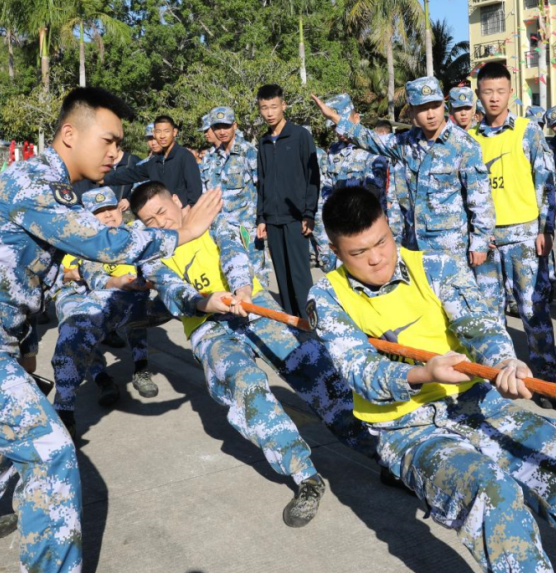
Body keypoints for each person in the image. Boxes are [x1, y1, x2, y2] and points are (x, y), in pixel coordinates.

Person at [0, 87, 223, 569]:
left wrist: (124, 286)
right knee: (50, 451)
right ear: (70, 134)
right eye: (109, 140)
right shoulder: (34, 183)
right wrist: (179, 233)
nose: (116, 152)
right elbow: (100, 240)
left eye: (120, 143)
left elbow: (64, 269)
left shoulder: (52, 191)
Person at [308, 185, 556, 572]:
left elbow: (478, 325)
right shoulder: (328, 297)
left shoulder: (435, 267)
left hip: (480, 404)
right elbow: (358, 370)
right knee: (490, 492)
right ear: (335, 252)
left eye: (381, 242)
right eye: (358, 253)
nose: (376, 258)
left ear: (389, 227)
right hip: (409, 429)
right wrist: (423, 373)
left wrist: (505, 361)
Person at [131, 181, 366, 527]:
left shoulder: (208, 218)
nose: (160, 224)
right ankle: (306, 477)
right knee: (248, 387)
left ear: (177, 202)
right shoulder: (150, 252)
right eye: (149, 221)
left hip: (253, 306)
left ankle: (376, 449)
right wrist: (203, 301)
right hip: (207, 328)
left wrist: (241, 287)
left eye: (163, 212)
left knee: (316, 371)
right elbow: (170, 289)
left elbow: (233, 250)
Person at [311, 77, 494, 277]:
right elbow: (370, 139)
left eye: (436, 106)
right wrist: (336, 119)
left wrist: (480, 242)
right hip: (414, 245)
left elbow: (481, 198)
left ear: (444, 105)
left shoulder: (464, 146)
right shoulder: (406, 142)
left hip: (450, 248)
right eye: (423, 108)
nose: (431, 114)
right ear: (413, 112)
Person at [50, 188, 171, 437]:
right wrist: (116, 282)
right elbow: (94, 277)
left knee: (136, 299)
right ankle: (93, 383)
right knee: (76, 325)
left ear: (120, 208)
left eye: (110, 209)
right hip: (79, 294)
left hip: (121, 294)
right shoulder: (85, 239)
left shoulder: (133, 234)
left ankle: (140, 368)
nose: (106, 216)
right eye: (98, 212)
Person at [470, 61, 556, 401]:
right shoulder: (471, 138)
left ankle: (545, 379)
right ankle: (498, 378)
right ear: (479, 94)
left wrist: (546, 229)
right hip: (487, 239)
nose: (494, 98)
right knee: (490, 315)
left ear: (510, 93)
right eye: (488, 92)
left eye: (500, 91)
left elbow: (546, 182)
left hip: (523, 236)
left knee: (533, 310)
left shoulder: (527, 130)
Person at [255, 84, 320, 316]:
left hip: (296, 218)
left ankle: (310, 323)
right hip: (272, 219)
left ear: (283, 105)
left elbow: (313, 177)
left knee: (300, 275)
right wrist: (261, 218)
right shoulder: (262, 142)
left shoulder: (300, 135)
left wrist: (308, 213)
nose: (269, 112)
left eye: (274, 106)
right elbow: (262, 182)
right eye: (264, 108)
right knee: (281, 275)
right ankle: (293, 324)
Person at [314, 94, 393, 273]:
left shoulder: (372, 148)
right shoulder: (333, 152)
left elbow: (377, 195)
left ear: (356, 118)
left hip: (368, 230)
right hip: (341, 232)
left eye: (343, 122)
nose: (340, 131)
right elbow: (325, 194)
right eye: (335, 126)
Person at [200, 106, 268, 285]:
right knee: (230, 275)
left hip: (246, 227)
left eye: (226, 126)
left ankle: (263, 312)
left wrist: (263, 219)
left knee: (256, 274)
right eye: (217, 127)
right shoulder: (209, 158)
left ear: (235, 125)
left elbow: (262, 188)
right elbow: (204, 192)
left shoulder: (248, 152)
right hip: (220, 228)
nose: (222, 131)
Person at [102, 114, 203, 207]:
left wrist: (190, 210)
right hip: (161, 215)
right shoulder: (154, 162)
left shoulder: (184, 156)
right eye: (158, 131)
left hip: (182, 214)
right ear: (154, 133)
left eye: (166, 131)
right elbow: (130, 174)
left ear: (174, 132)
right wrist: (101, 178)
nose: (162, 136)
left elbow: (195, 189)